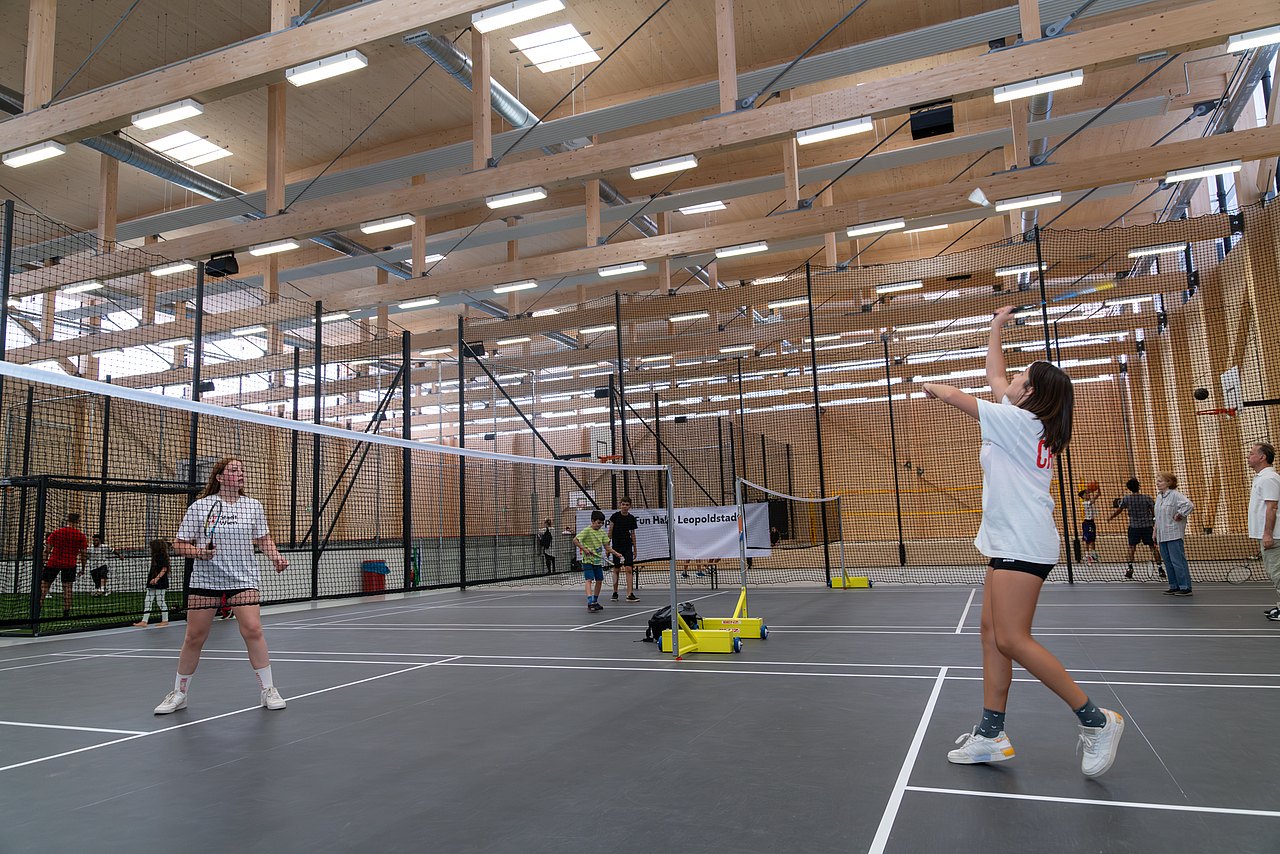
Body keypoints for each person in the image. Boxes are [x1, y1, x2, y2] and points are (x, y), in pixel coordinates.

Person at [922, 305, 1123, 778]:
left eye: (1020, 375)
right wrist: (995, 325)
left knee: (1012, 637)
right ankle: (991, 735)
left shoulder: (1016, 423)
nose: (1009, 377)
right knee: (992, 636)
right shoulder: (1021, 418)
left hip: (1022, 542)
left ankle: (1096, 720)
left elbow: (959, 395)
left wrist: (929, 385)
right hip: (1009, 541)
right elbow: (995, 374)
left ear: (1029, 392)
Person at [153, 457, 289, 715]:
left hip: (243, 579)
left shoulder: (253, 506)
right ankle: (179, 693)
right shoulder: (200, 507)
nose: (240, 473)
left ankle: (268, 690)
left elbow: (262, 538)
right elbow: (180, 544)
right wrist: (200, 553)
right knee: (194, 637)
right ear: (219, 477)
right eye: (234, 470)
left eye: (242, 469)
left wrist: (276, 558)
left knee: (253, 630)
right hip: (206, 579)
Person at [1247, 442, 1280, 621]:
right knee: (1275, 571)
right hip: (1268, 535)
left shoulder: (1269, 478)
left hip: (1274, 535)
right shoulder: (1261, 477)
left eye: (1251, 453)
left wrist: (1268, 534)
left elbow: (1272, 507)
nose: (1248, 456)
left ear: (1262, 457)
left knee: (1278, 572)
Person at [1107, 478, 1163, 580]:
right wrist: (1157, 522)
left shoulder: (1126, 499)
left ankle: (1129, 569)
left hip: (1134, 527)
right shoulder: (1147, 498)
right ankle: (1160, 569)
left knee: (1131, 547)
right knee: (1153, 547)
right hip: (1147, 527)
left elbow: (1119, 510)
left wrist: (1111, 517)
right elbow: (1154, 511)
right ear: (1138, 486)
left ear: (1129, 488)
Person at [40, 512, 88, 619]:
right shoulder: (80, 535)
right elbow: (84, 554)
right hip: (70, 564)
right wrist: (83, 567)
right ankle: (66, 613)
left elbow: (47, 550)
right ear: (78, 521)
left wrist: (43, 564)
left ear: (67, 520)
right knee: (67, 589)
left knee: (44, 587)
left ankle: (37, 610)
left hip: (53, 562)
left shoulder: (57, 532)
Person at [1154, 473, 1195, 596]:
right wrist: (1155, 531)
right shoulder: (1159, 497)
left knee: (1177, 561)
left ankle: (1185, 586)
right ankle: (1174, 585)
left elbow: (1189, 505)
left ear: (1169, 482)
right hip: (1162, 535)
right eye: (1157, 480)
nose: (1157, 483)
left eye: (1160, 481)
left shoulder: (1176, 495)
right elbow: (1157, 517)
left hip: (1173, 534)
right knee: (1167, 561)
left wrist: (1180, 514)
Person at [575, 510, 620, 612]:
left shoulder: (601, 533)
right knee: (589, 580)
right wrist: (585, 549)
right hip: (587, 561)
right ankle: (590, 601)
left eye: (601, 523)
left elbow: (607, 546)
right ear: (592, 521)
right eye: (598, 522)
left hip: (597, 561)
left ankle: (595, 601)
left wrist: (616, 553)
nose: (600, 525)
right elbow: (575, 540)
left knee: (599, 581)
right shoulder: (587, 530)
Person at [608, 497, 640, 602]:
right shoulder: (615, 517)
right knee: (616, 569)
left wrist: (635, 548)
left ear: (630, 506)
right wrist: (608, 547)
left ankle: (630, 594)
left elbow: (633, 534)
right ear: (620, 505)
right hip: (616, 546)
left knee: (629, 569)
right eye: (623, 504)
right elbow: (610, 531)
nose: (625, 506)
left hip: (627, 546)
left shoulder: (631, 518)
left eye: (627, 505)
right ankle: (615, 592)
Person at [135, 539, 171, 627]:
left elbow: (164, 569)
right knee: (148, 600)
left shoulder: (161, 556)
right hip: (152, 581)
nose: (150, 548)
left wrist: (156, 579)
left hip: (160, 582)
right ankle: (144, 621)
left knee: (160, 600)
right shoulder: (155, 556)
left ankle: (165, 620)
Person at [1078, 483, 1101, 565]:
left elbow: (1099, 494)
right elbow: (1095, 498)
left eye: (1088, 494)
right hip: (1087, 523)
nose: (1087, 495)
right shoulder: (1085, 503)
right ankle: (1087, 556)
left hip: (1092, 523)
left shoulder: (1089, 502)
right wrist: (1090, 489)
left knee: (1093, 539)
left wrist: (1097, 488)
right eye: (1086, 494)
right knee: (1087, 540)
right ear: (1083, 497)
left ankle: (1093, 554)